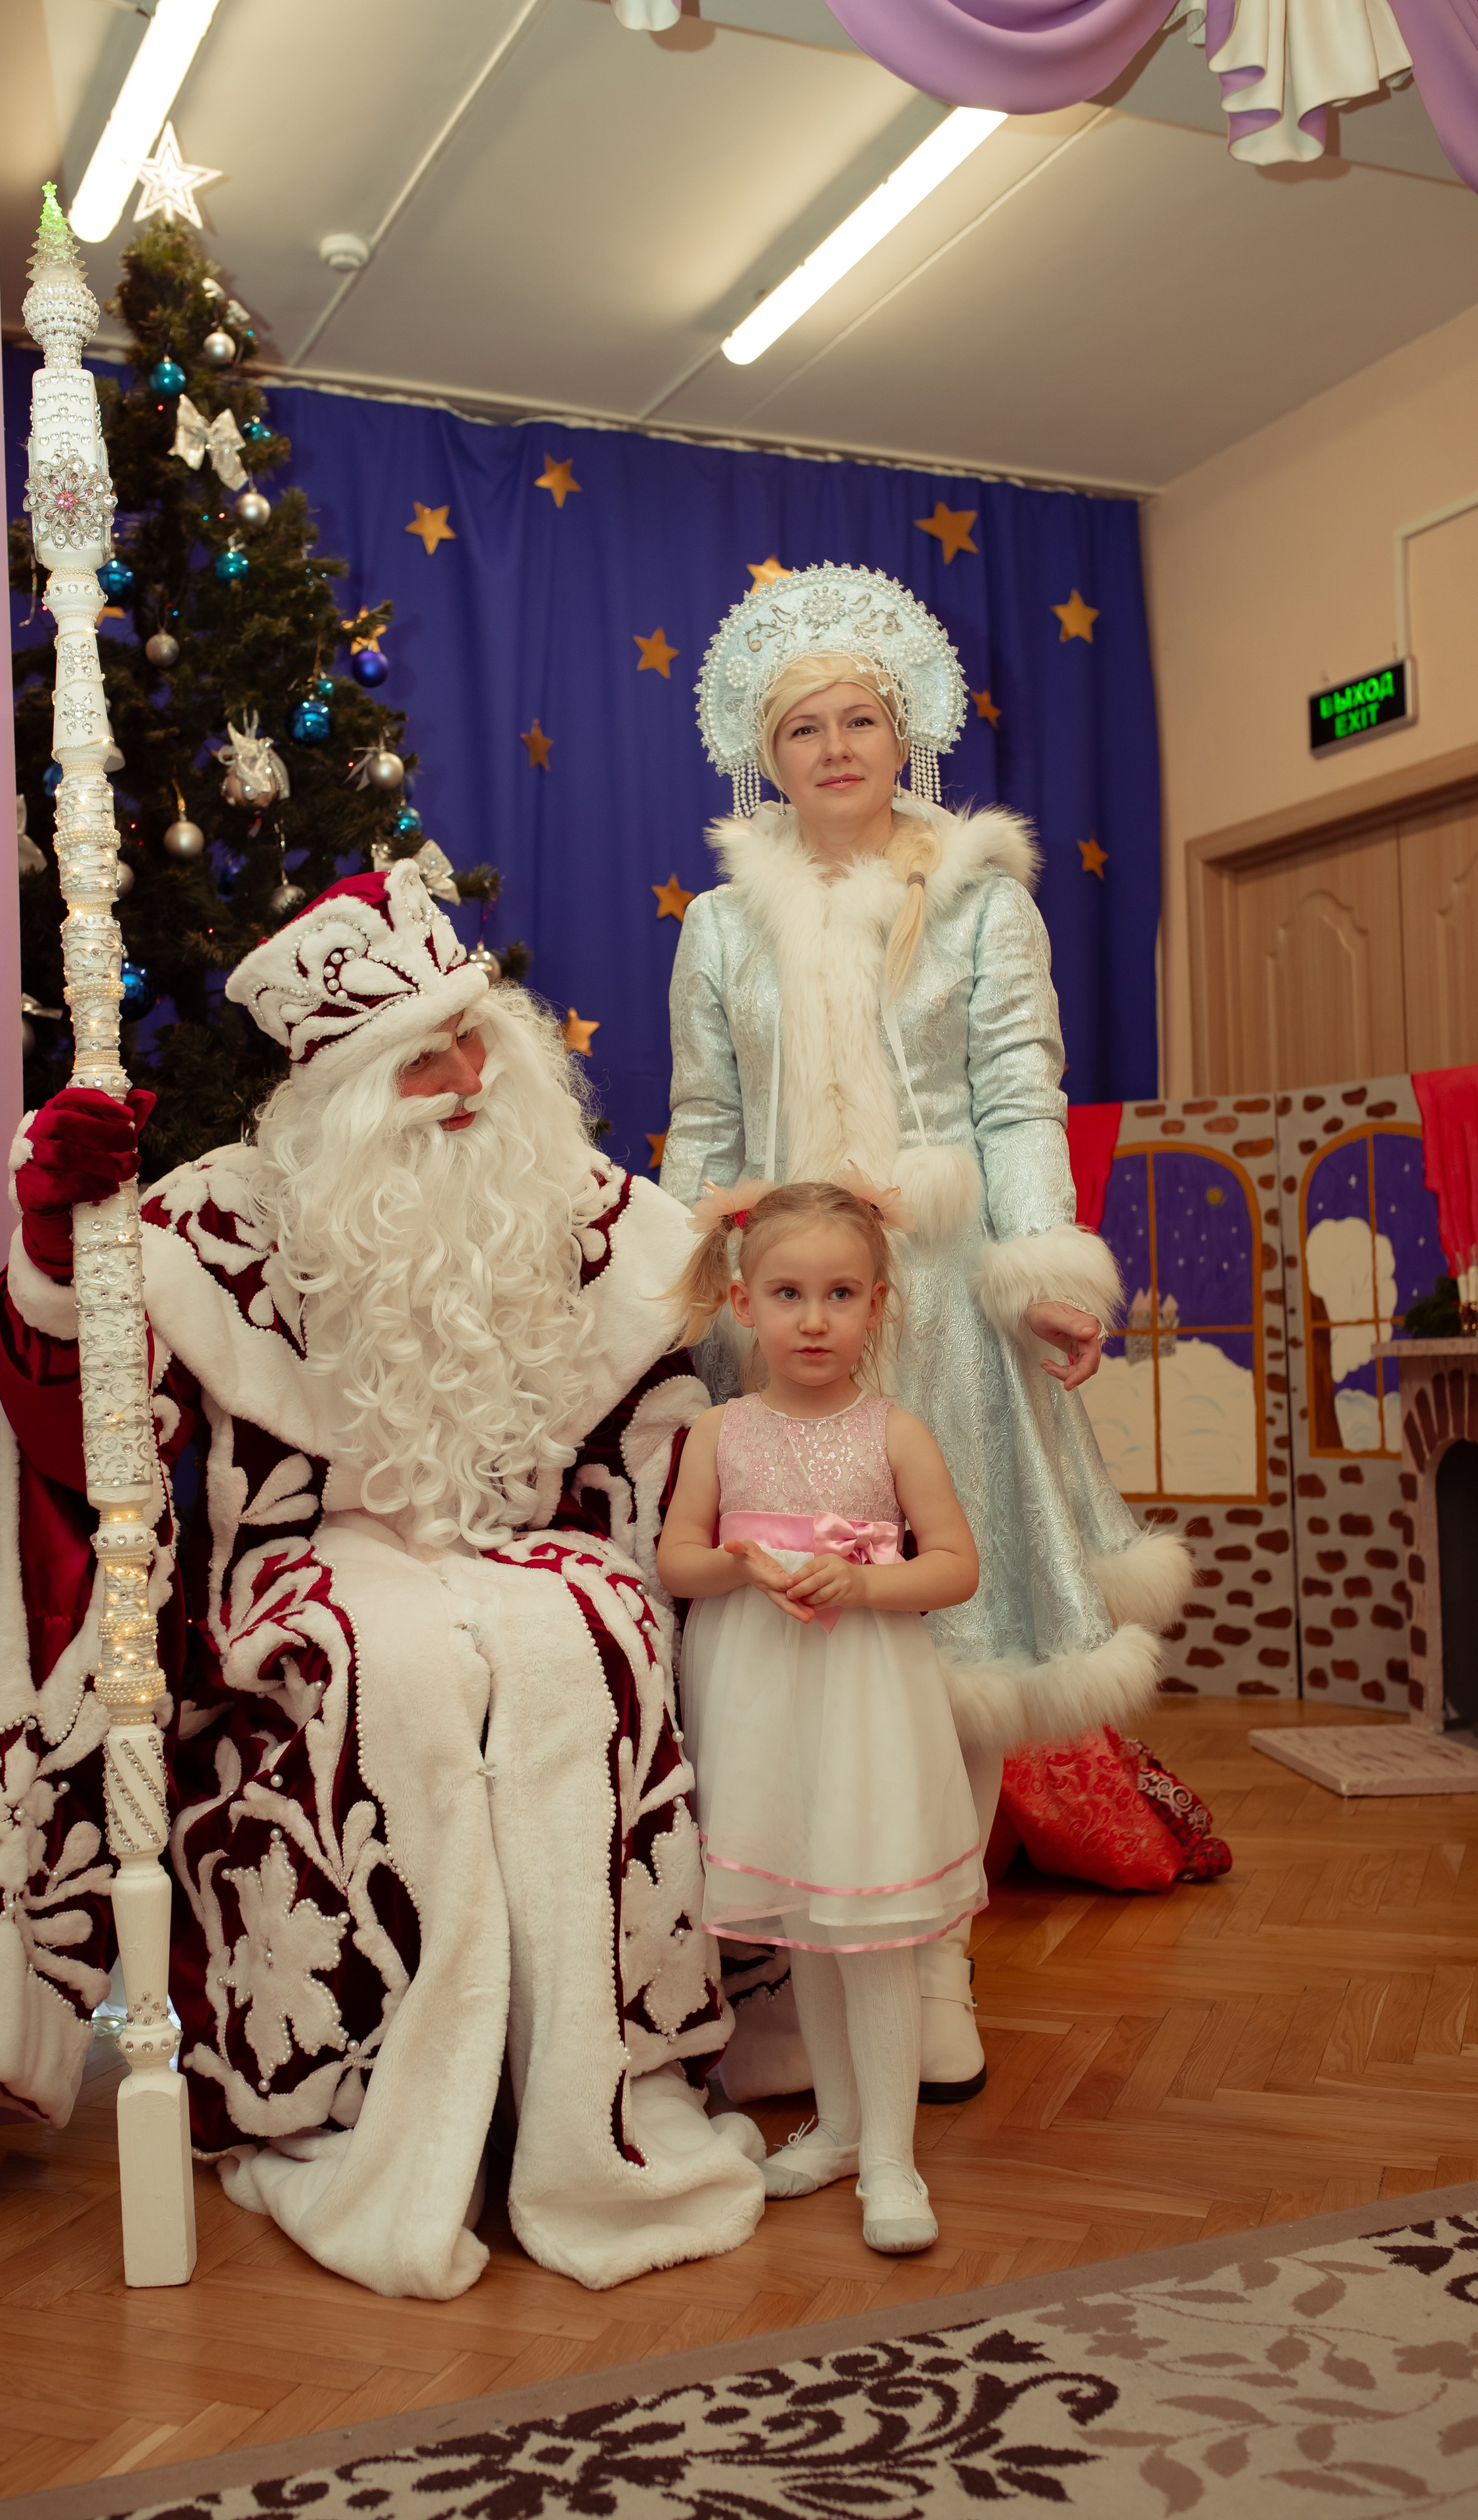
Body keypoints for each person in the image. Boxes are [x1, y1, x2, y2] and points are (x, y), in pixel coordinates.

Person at [0, 861, 766, 2302]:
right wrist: (64, 1248)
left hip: (531, 1540)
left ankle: (592, 2091)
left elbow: (663, 1409)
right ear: (339, 1092)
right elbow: (86, 1432)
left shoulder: (575, 1203)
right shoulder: (230, 1219)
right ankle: (360, 2093)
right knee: (392, 1670)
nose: (462, 1082)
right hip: (314, 1555)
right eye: (419, 1059)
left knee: (591, 1636)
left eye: (476, 1041)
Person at [663, 564, 1190, 2102]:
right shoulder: (717, 925)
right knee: (779, 1631)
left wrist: (1043, 1271)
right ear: (765, 752)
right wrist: (691, 1259)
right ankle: (781, 1965)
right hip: (773, 1314)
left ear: (906, 733)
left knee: (941, 1649)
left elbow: (1021, 1096)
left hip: (941, 1307)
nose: (835, 748)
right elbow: (701, 1117)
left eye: (861, 720)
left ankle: (934, 1958)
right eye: (804, 727)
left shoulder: (976, 898)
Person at [657, 1176, 985, 2255]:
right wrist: (742, 1567)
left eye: (840, 1293)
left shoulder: (895, 1431)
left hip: (864, 1705)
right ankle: (841, 2126)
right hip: (761, 1701)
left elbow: (955, 1568)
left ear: (879, 1305)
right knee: (809, 1914)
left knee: (872, 1924)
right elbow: (678, 1559)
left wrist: (863, 1583)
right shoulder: (721, 1432)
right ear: (743, 1302)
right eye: (789, 1292)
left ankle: (892, 2156)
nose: (814, 1316)